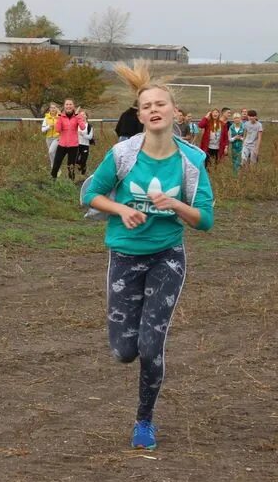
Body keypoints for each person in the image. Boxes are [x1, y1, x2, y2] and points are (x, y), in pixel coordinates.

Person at [82, 62, 214, 451]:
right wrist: (121, 210)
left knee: (151, 344)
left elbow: (204, 220)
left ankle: (144, 421)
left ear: (175, 112)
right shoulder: (123, 155)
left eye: (161, 104)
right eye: (147, 106)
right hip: (125, 255)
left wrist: (175, 203)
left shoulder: (192, 162)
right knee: (125, 351)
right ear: (139, 115)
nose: (154, 109)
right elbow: (89, 195)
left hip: (167, 257)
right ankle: (132, 348)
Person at [52, 98, 87, 180]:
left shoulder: (77, 116)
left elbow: (83, 127)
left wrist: (78, 116)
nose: (68, 106)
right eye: (67, 104)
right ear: (64, 106)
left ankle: (71, 180)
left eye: (70, 104)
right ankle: (53, 178)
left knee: (71, 164)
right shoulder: (61, 116)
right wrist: (59, 117)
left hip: (73, 146)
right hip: (62, 145)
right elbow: (57, 129)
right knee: (57, 162)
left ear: (73, 106)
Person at [76, 109, 95, 177]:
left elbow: (90, 137)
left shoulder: (89, 126)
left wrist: (83, 134)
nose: (82, 116)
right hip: (77, 145)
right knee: (75, 160)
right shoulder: (76, 125)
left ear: (86, 116)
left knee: (83, 160)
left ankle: (83, 173)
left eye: (84, 114)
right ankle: (80, 168)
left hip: (85, 145)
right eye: (80, 115)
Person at [41, 103, 60, 169]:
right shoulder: (46, 118)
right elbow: (42, 130)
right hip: (48, 138)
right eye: (51, 108)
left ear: (57, 109)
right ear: (49, 109)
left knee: (51, 151)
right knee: (51, 153)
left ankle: (54, 166)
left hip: (57, 138)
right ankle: (55, 167)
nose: (53, 109)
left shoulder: (59, 117)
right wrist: (49, 127)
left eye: (54, 108)